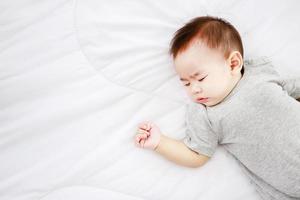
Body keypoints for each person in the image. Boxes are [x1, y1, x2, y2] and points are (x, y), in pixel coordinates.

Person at [134, 16, 300, 200]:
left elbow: (291, 88)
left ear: (233, 64)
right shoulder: (206, 114)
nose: (194, 89)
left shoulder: (258, 72)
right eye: (186, 84)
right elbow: (196, 155)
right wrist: (159, 142)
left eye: (201, 78)